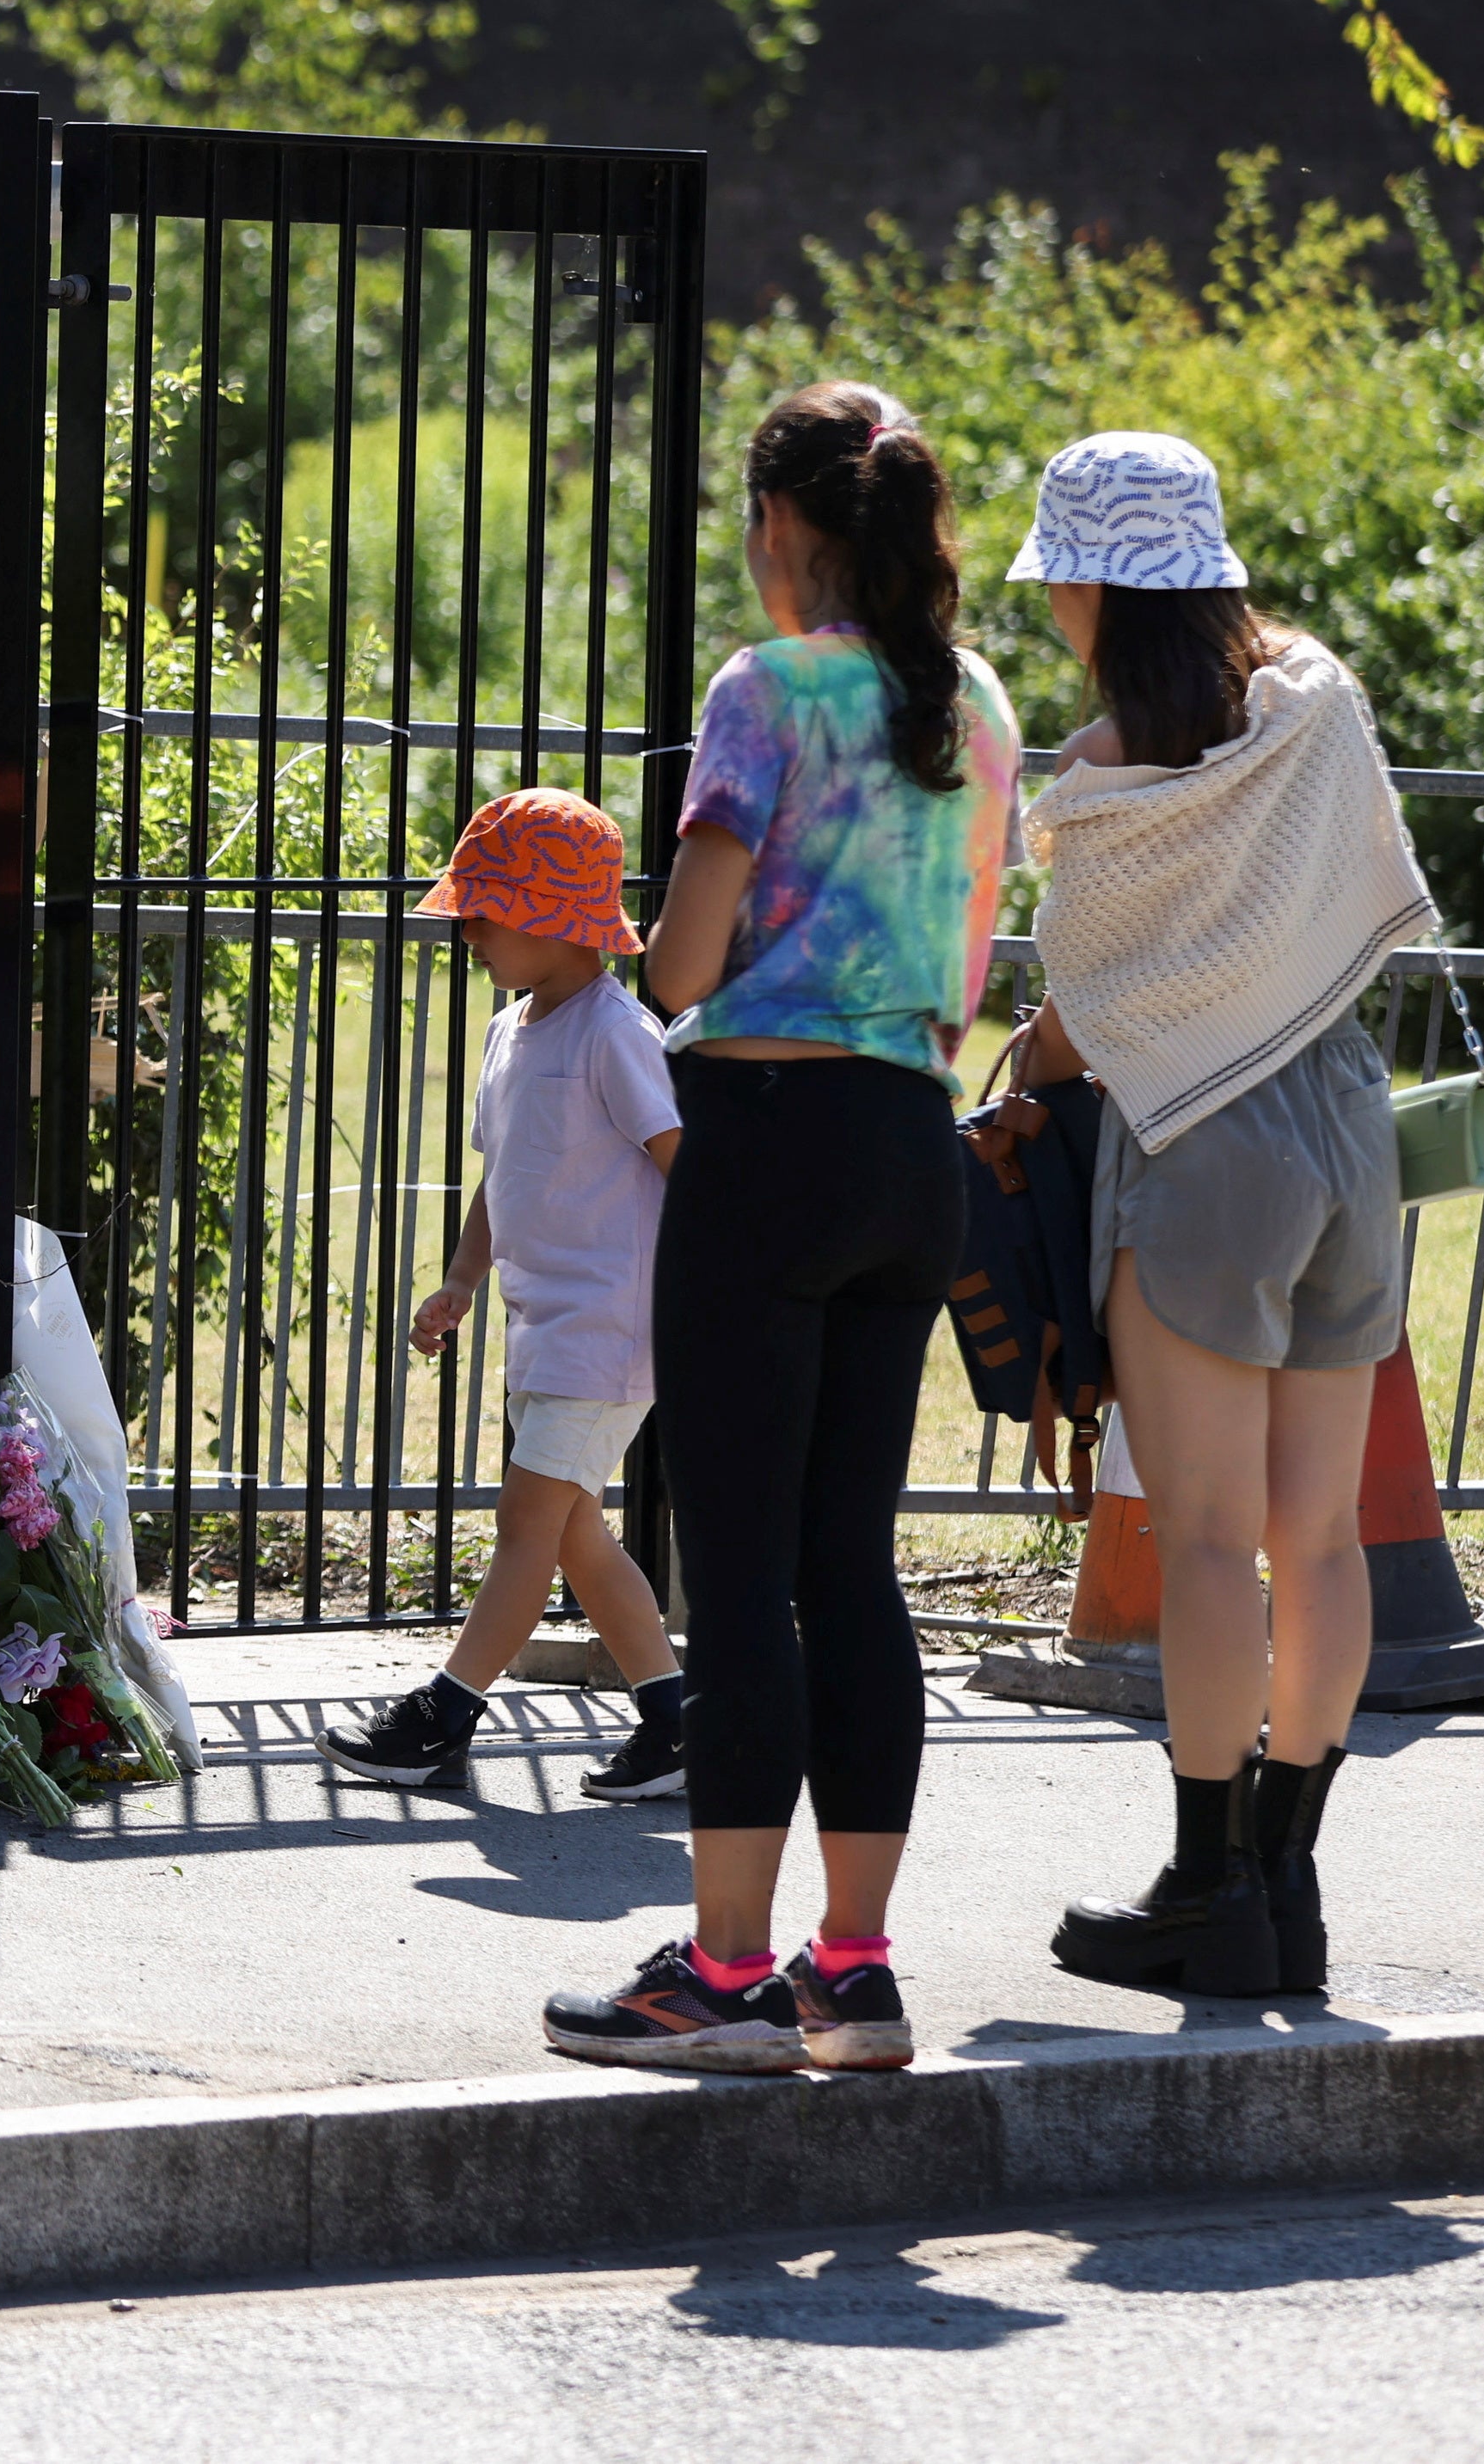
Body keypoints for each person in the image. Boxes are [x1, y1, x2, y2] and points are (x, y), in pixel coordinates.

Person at [543, 382, 1017, 2079]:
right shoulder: (973, 704)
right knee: (847, 1565)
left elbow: (675, 964)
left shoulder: (763, 692)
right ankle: (851, 1970)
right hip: (908, 1140)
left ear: (777, 527)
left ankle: (723, 1973)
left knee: (733, 1570)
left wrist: (667, 939)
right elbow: (960, 950)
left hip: (760, 1134)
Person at [1000, 432, 1428, 2001]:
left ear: (1099, 582)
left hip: (1206, 1149)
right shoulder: (1317, 698)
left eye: (1057, 572)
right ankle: (1291, 1877)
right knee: (1322, 1534)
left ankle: (1203, 1882)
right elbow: (1331, 904)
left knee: (1204, 1536)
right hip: (1343, 1119)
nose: (1046, 599)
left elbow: (1104, 1001)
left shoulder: (1104, 779)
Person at [322, 788, 690, 1802]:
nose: (469, 929)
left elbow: (682, 1163)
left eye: (484, 910)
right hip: (547, 1322)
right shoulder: (508, 1031)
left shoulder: (618, 1033)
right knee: (572, 1532)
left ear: (552, 918)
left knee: (529, 1521)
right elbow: (503, 1173)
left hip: (610, 1326)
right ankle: (676, 1719)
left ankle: (444, 1714)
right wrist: (460, 1278)